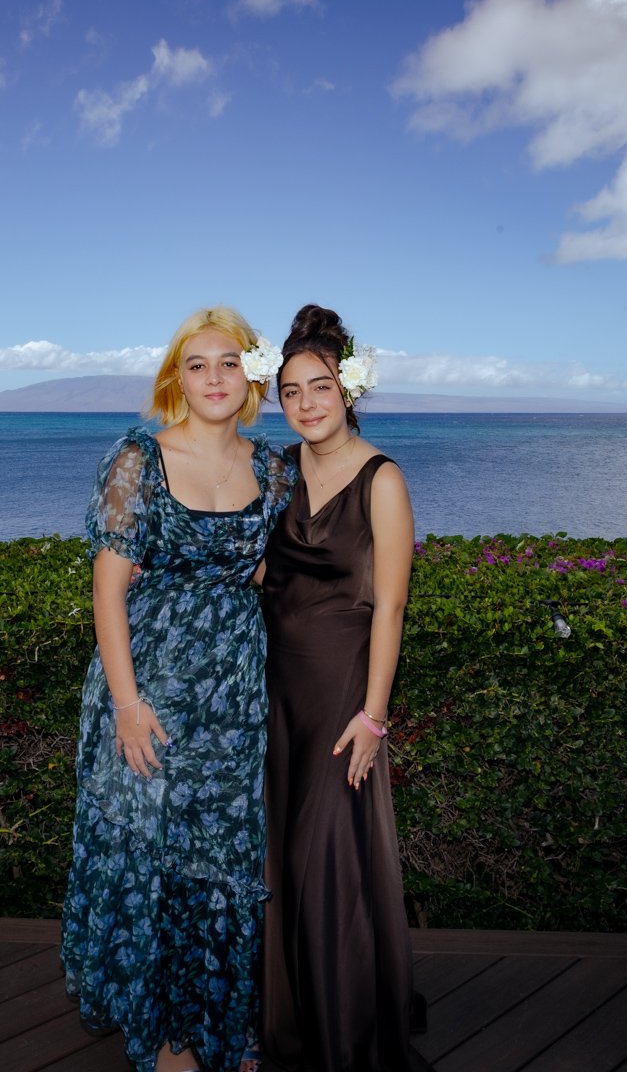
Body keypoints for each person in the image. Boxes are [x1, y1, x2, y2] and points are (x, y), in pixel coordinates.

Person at [61, 306, 293, 1072]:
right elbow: (108, 591)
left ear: (251, 375)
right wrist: (126, 705)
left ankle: (221, 1025)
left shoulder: (273, 468)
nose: (215, 378)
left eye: (229, 362)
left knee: (222, 860)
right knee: (155, 859)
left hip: (232, 699)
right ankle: (167, 1040)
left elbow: (270, 572)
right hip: (150, 688)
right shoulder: (138, 457)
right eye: (198, 365)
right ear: (177, 380)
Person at [259, 304, 431, 1071]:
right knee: (281, 859)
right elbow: (260, 569)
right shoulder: (277, 471)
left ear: (348, 389)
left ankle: (346, 1036)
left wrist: (374, 717)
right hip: (274, 692)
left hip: (340, 699)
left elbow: (389, 605)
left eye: (319, 387)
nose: (305, 404)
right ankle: (292, 1022)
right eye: (291, 391)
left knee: (325, 859)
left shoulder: (381, 478)